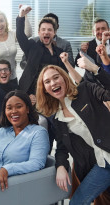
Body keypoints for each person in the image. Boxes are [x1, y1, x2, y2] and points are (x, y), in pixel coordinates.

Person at [36, 54, 110, 204]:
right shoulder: (57, 118)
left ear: (64, 78)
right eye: (47, 82)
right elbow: (62, 148)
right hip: (103, 165)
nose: (53, 83)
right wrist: (61, 166)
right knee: (76, 202)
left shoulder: (85, 90)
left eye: (56, 77)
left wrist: (96, 69)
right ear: (44, 89)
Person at [16, 6, 67, 96]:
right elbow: (20, 36)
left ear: (54, 33)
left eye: (49, 30)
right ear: (39, 32)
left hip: (52, 93)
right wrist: (21, 15)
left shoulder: (60, 52)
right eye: (43, 29)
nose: (46, 32)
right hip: (31, 93)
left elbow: (64, 74)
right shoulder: (32, 46)